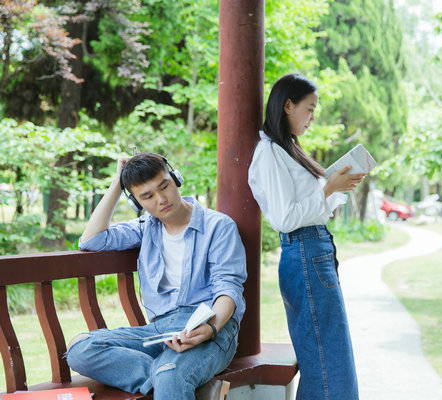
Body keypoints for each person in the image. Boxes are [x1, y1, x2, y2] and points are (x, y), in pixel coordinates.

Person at [66, 152, 247, 400]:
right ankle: (180, 382)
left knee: (170, 374)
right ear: (137, 202)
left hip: (211, 327)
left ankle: (173, 377)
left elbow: (228, 289)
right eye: (147, 196)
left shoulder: (218, 226)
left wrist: (211, 328)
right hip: (161, 330)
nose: (161, 199)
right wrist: (117, 184)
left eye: (165, 186)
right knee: (80, 349)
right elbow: (91, 240)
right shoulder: (144, 229)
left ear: (175, 179)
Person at [248, 73, 366, 400]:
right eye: (310, 109)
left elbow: (311, 209)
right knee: (328, 364)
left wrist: (337, 187)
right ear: (288, 105)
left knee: (330, 358)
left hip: (313, 250)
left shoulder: (289, 149)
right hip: (303, 251)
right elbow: (286, 218)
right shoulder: (269, 152)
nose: (313, 118)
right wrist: (328, 187)